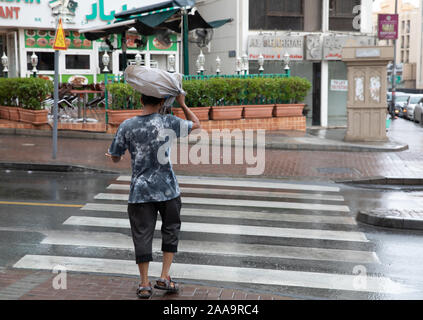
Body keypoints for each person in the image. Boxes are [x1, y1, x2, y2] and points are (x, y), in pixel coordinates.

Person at [106, 94, 201, 299]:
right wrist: (182, 103)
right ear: (162, 102)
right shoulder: (169, 122)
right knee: (171, 230)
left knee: (142, 235)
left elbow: (115, 156)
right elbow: (196, 124)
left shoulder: (127, 125)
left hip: (140, 192)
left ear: (141, 101)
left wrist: (117, 156)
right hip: (168, 189)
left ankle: (144, 283)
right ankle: (164, 276)